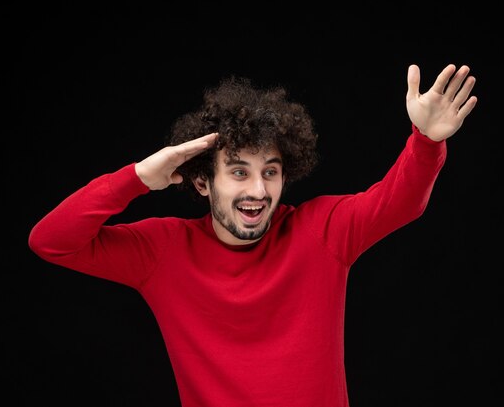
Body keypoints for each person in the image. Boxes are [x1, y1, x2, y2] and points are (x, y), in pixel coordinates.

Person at [28, 63, 477, 407]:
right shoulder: (161, 252)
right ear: (202, 182)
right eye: (239, 172)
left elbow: (399, 202)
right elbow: (50, 241)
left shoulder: (322, 229)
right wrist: (138, 177)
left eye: (271, 172)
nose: (258, 190)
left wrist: (425, 140)